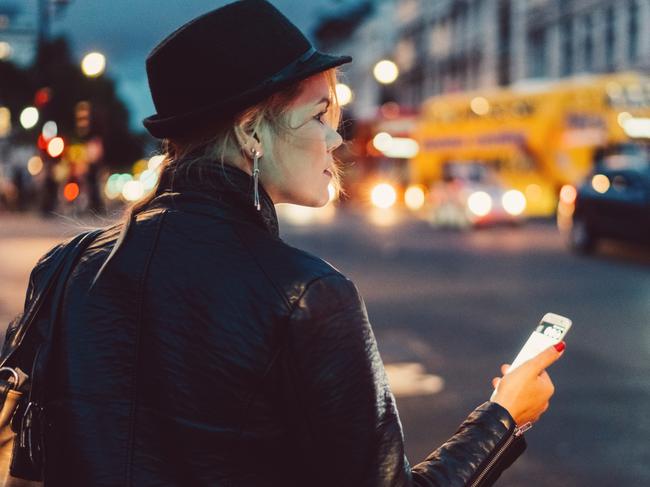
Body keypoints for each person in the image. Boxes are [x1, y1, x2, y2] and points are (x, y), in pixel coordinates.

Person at [8, 1, 563, 485]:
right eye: (319, 114)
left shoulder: (65, 269)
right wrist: (503, 416)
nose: (335, 137)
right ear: (251, 132)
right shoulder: (308, 296)